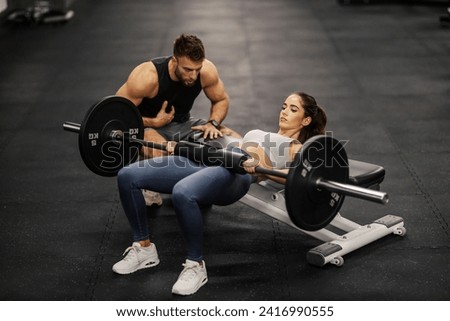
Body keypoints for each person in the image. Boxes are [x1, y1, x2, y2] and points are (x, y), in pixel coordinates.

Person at [112, 91, 327, 296]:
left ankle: (195, 265)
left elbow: (296, 175)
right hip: (210, 156)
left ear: (305, 121)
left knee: (183, 192)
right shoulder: (265, 134)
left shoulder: (295, 147)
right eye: (283, 107)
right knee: (127, 175)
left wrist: (263, 168)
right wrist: (216, 130)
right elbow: (231, 139)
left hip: (235, 174)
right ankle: (143, 248)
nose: (284, 112)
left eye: (293, 109)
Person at [116, 33, 237, 207]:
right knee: (161, 150)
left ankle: (199, 183)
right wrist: (154, 122)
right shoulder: (147, 76)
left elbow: (221, 100)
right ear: (174, 60)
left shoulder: (206, 71)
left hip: (185, 125)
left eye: (197, 69)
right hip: (148, 128)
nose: (193, 76)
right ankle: (151, 183)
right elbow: (117, 113)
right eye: (187, 69)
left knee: (234, 142)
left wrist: (213, 123)